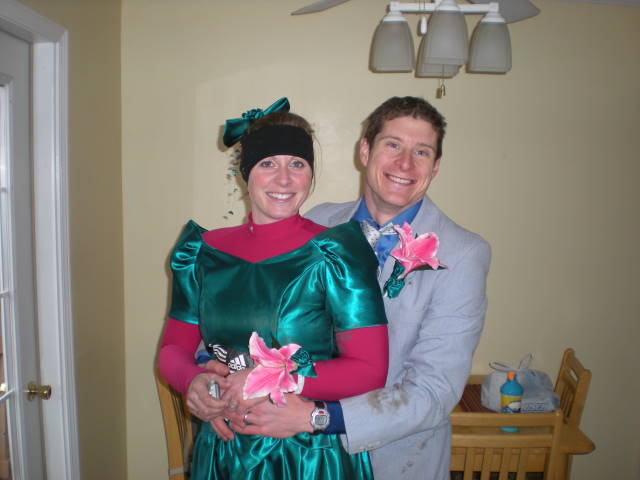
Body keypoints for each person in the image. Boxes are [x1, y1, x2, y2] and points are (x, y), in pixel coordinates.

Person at [227, 96, 492, 480]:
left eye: (421, 151)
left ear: (435, 166)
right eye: (393, 145)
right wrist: (213, 375)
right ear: (365, 151)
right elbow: (265, 321)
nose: (405, 164)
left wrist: (317, 417)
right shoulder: (319, 223)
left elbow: (433, 392)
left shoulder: (463, 254)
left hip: (395, 461)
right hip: (301, 459)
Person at [157, 103, 390, 479]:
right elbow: (172, 350)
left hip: (309, 453)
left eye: (297, 164)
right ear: (245, 174)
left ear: (310, 175)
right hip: (226, 449)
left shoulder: (337, 254)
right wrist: (193, 381)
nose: (284, 179)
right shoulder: (203, 253)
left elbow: (370, 370)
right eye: (268, 164)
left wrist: (274, 379)